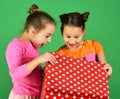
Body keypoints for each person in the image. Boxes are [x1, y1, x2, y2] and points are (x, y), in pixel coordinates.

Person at [5, 4, 56, 99]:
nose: (49, 40)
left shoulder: (33, 47)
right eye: (47, 36)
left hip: (36, 95)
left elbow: (32, 72)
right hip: (22, 96)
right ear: (33, 31)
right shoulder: (16, 45)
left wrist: (43, 71)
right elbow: (15, 74)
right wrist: (39, 59)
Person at [56, 12, 112, 79]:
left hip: (93, 87)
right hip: (72, 89)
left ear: (84, 31)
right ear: (61, 32)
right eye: (68, 37)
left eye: (76, 37)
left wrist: (108, 72)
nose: (72, 41)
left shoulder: (94, 46)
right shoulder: (59, 54)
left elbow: (105, 74)